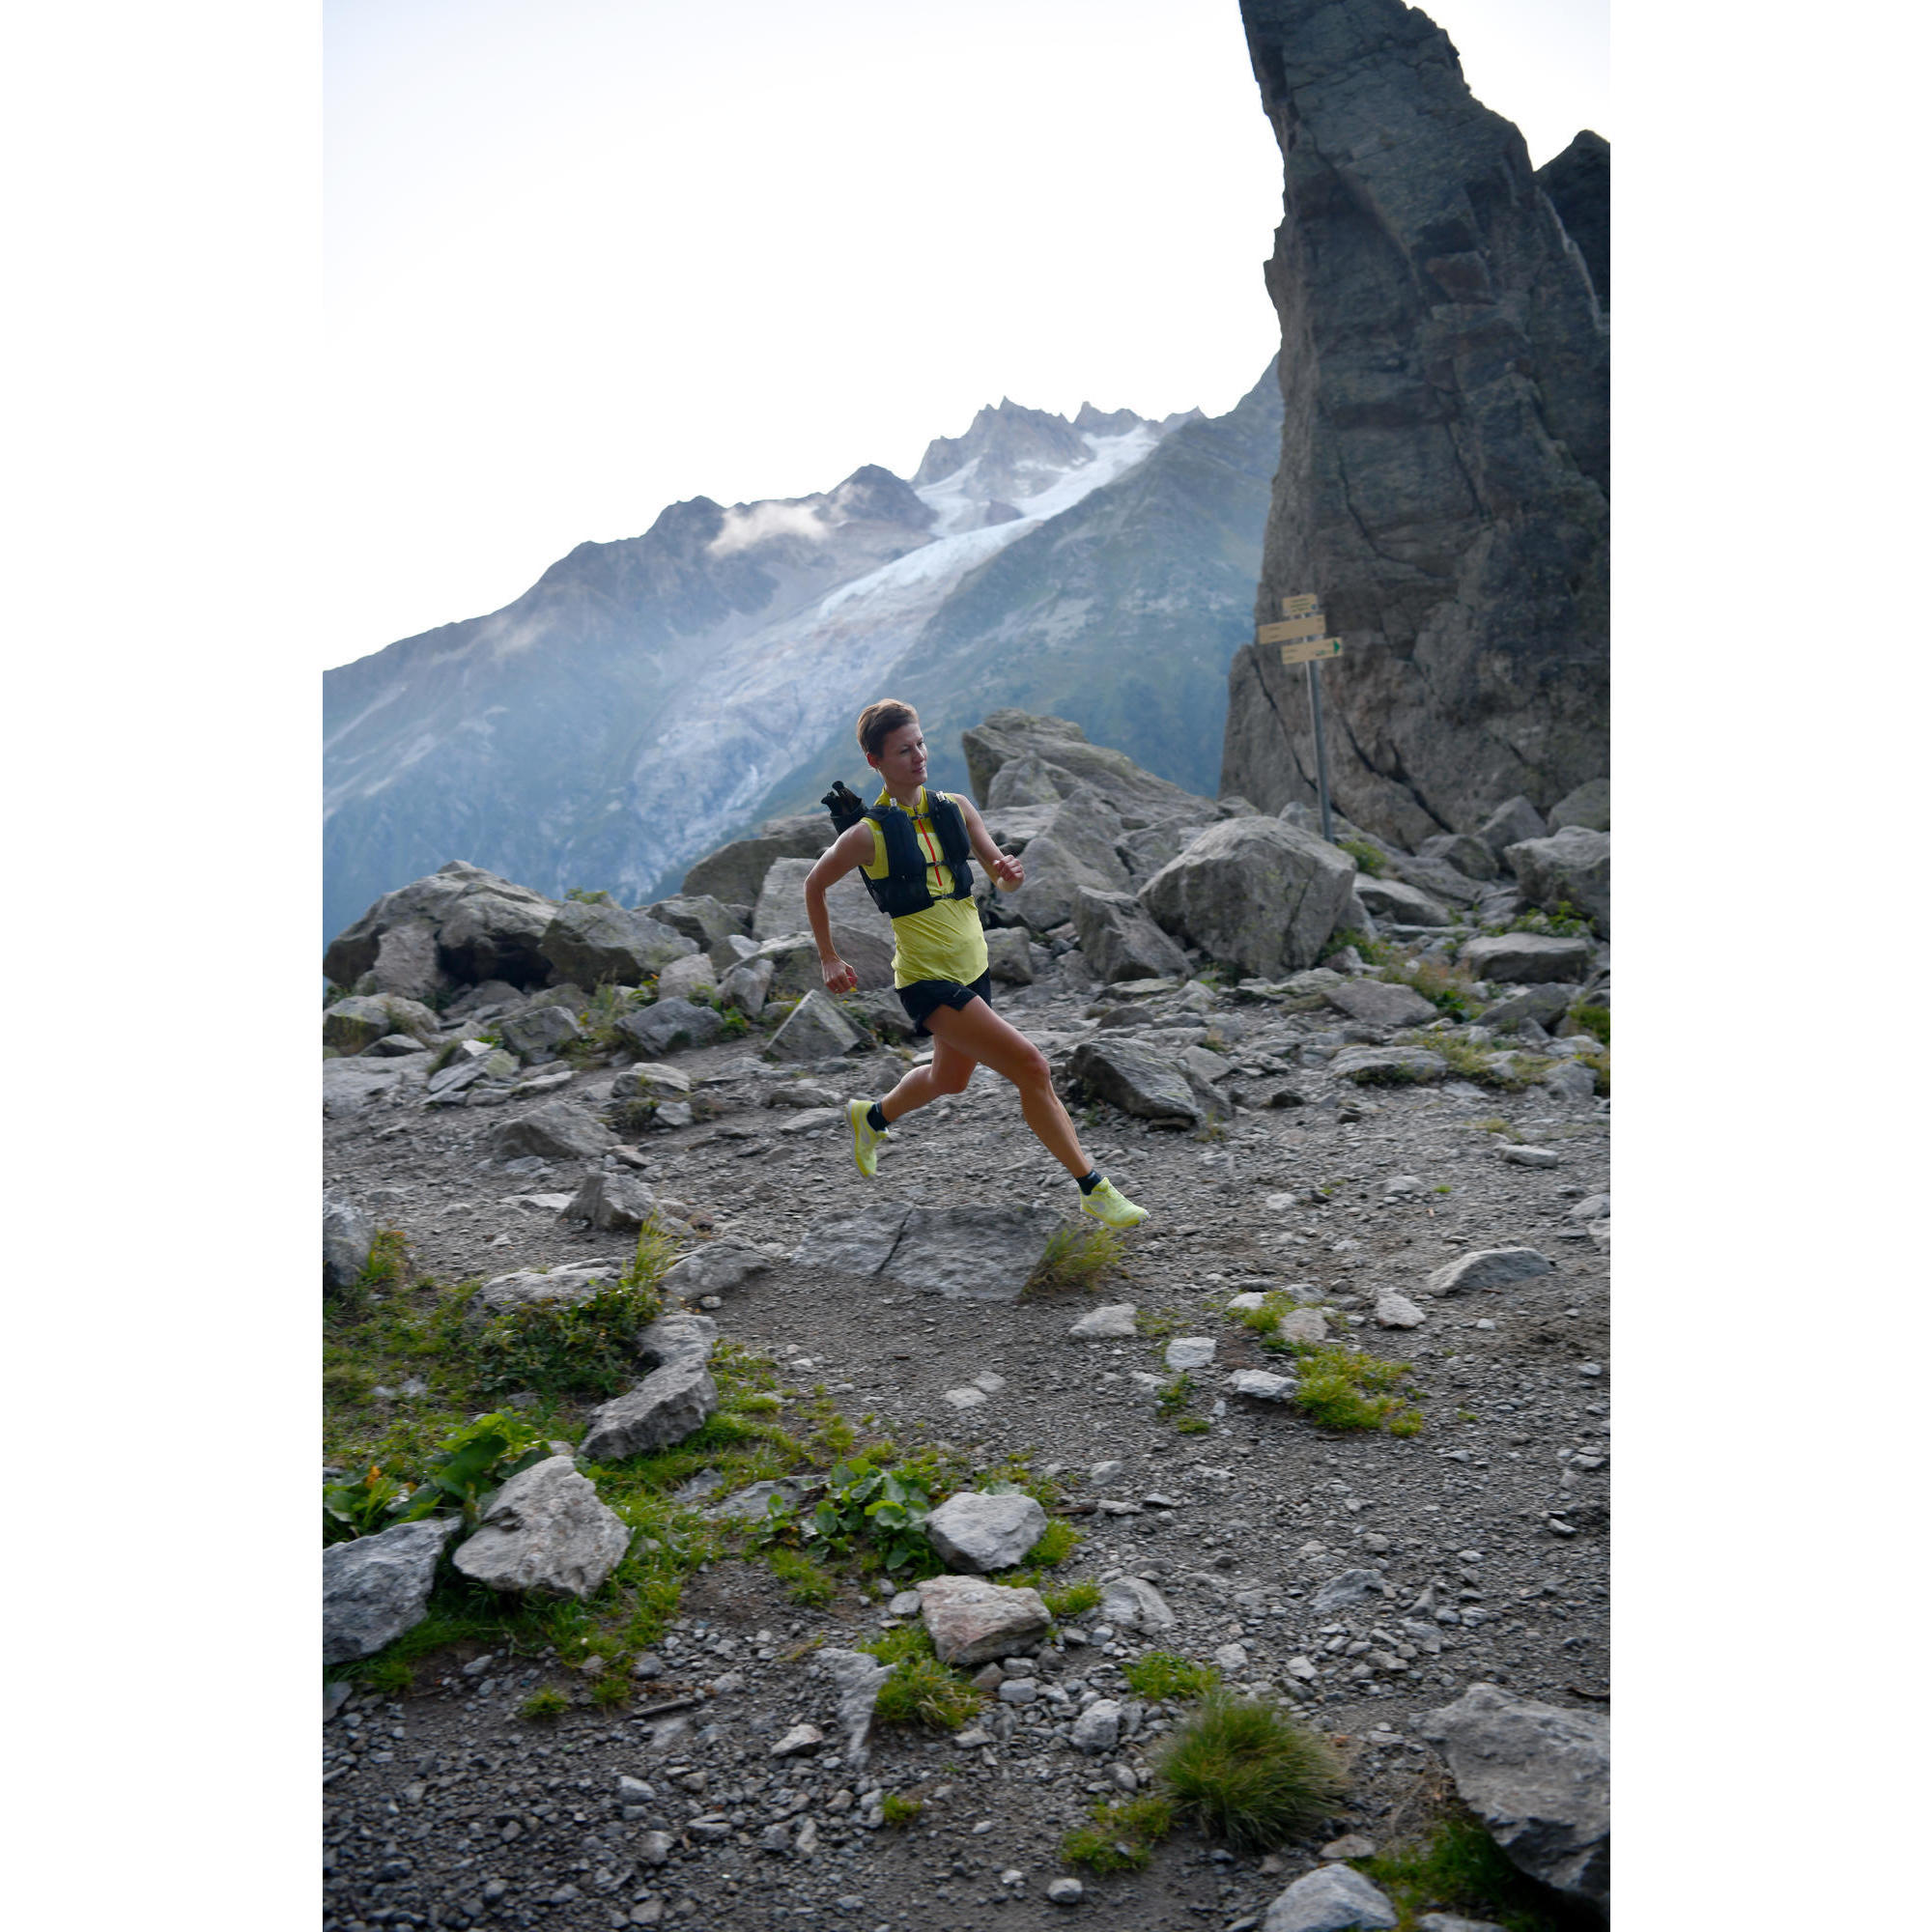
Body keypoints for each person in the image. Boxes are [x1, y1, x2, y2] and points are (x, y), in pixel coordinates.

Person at [803, 698, 1148, 1229]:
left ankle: (870, 1116)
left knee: (950, 1079)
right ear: (876, 762)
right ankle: (1093, 1188)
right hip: (926, 979)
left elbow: (1001, 875)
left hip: (974, 968)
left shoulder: (956, 808)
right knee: (1032, 1066)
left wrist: (1009, 873)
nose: (918, 757)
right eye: (903, 751)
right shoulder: (865, 835)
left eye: (920, 744)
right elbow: (814, 885)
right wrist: (829, 956)